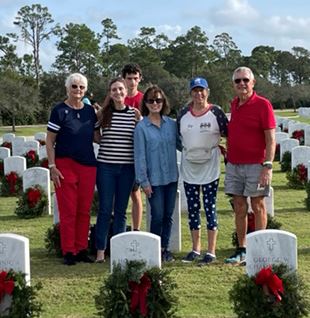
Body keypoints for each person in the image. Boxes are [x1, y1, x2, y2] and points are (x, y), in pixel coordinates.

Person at [224, 66, 276, 265]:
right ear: (233, 85)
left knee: (258, 205)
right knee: (239, 206)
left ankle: (260, 248)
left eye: (245, 80)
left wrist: (268, 165)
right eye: (238, 81)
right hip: (234, 165)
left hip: (257, 165)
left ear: (253, 82)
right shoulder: (234, 104)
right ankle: (242, 248)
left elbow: (270, 139)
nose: (242, 84)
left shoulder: (263, 105)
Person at [46, 73, 97, 265]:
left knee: (84, 210)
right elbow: (50, 141)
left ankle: (82, 248)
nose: (78, 90)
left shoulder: (90, 112)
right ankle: (69, 251)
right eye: (74, 86)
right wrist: (52, 166)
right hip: (65, 165)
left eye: (81, 87)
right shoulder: (59, 110)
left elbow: (96, 136)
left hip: (88, 165)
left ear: (85, 90)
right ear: (67, 88)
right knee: (69, 210)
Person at [177, 77, 228, 265]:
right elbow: (178, 137)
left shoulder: (216, 112)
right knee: (192, 208)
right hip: (190, 165)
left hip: (210, 167)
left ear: (207, 91)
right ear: (191, 93)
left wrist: (222, 148)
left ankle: (211, 250)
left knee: (210, 207)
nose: (198, 94)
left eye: (202, 90)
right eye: (195, 90)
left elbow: (227, 133)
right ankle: (195, 248)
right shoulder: (183, 113)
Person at [95, 77, 140, 263]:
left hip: (127, 168)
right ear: (110, 93)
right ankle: (100, 251)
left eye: (120, 89)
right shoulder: (104, 114)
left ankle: (119, 250)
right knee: (105, 209)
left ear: (126, 91)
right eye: (114, 90)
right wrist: (107, 144)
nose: (118, 92)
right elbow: (95, 134)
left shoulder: (134, 114)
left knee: (121, 210)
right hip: (106, 167)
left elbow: (139, 138)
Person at [134, 85, 178, 262]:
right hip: (154, 180)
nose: (155, 103)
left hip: (171, 178)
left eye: (158, 100)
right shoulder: (141, 127)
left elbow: (184, 145)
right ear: (145, 103)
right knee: (157, 216)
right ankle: (154, 249)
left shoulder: (172, 125)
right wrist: (143, 181)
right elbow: (140, 156)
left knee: (168, 216)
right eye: (151, 100)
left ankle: (165, 248)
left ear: (163, 102)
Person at [121, 63, 144, 231]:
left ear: (140, 79)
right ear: (124, 79)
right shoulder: (118, 97)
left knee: (135, 193)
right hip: (120, 151)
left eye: (135, 78)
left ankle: (136, 229)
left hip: (137, 153)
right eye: (129, 78)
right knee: (119, 194)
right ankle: (119, 228)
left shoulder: (144, 99)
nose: (132, 82)